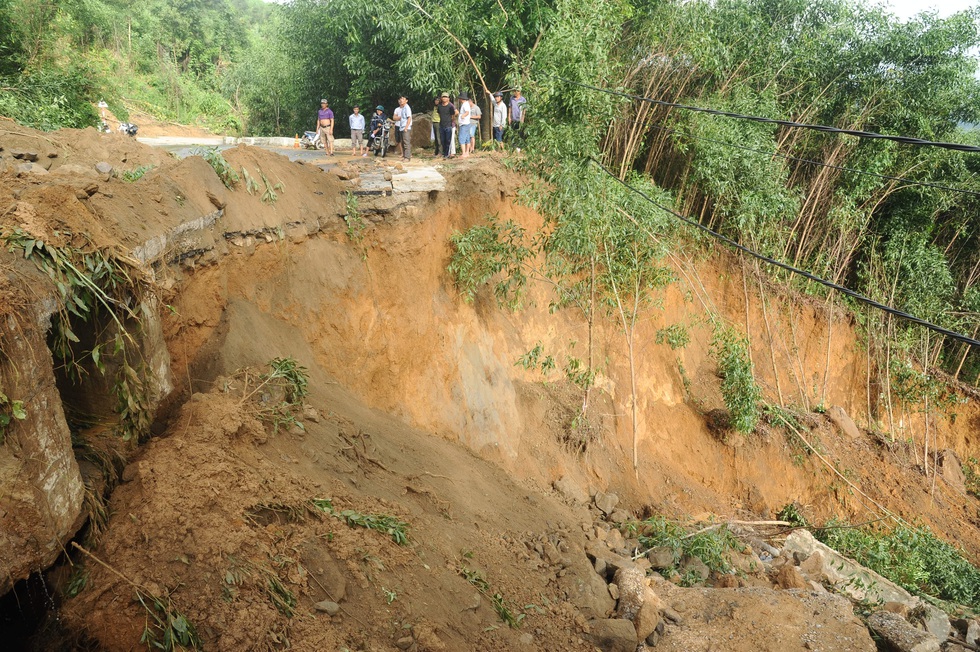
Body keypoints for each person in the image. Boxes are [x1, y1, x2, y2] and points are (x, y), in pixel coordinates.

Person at [436, 92, 457, 159]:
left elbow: (453, 116)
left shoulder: (450, 106)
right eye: (443, 97)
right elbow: (439, 114)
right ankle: (444, 153)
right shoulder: (439, 106)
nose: (444, 98)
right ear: (441, 98)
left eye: (446, 97)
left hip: (448, 125)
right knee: (443, 140)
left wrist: (450, 122)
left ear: (448, 98)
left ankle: (446, 154)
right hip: (441, 125)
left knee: (448, 140)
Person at [509, 87, 527, 152]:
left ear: (519, 92)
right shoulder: (511, 98)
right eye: (514, 91)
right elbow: (510, 108)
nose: (515, 92)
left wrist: (522, 118)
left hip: (519, 119)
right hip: (513, 119)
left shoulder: (523, 99)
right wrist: (509, 117)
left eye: (516, 91)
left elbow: (524, 109)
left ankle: (519, 147)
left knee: (519, 133)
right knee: (513, 133)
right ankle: (513, 147)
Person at [396, 96, 413, 161]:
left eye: (403, 99)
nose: (401, 100)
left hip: (405, 127)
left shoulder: (407, 108)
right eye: (400, 99)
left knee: (406, 143)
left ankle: (407, 157)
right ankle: (404, 156)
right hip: (401, 127)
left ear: (406, 100)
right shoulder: (403, 108)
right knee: (403, 143)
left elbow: (409, 118)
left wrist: (406, 127)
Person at [457, 91, 472, 158]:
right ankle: (467, 152)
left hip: (464, 123)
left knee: (462, 138)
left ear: (461, 98)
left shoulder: (465, 104)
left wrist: (463, 115)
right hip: (466, 123)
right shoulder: (466, 104)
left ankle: (464, 153)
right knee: (467, 138)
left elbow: (467, 112)